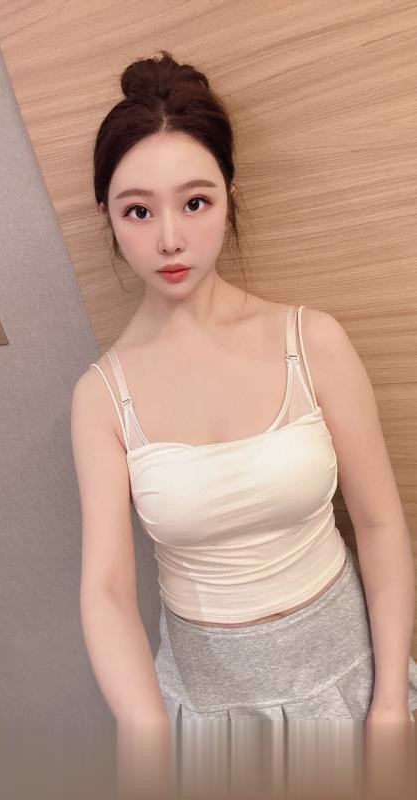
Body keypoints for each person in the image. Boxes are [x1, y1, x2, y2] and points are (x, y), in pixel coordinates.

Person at [71, 50, 417, 734]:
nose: (170, 238)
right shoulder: (101, 397)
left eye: (194, 202)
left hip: (349, 676)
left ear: (228, 195)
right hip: (211, 711)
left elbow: (380, 524)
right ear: (107, 215)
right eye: (138, 211)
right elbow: (106, 592)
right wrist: (147, 738)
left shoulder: (312, 341)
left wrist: (386, 708)